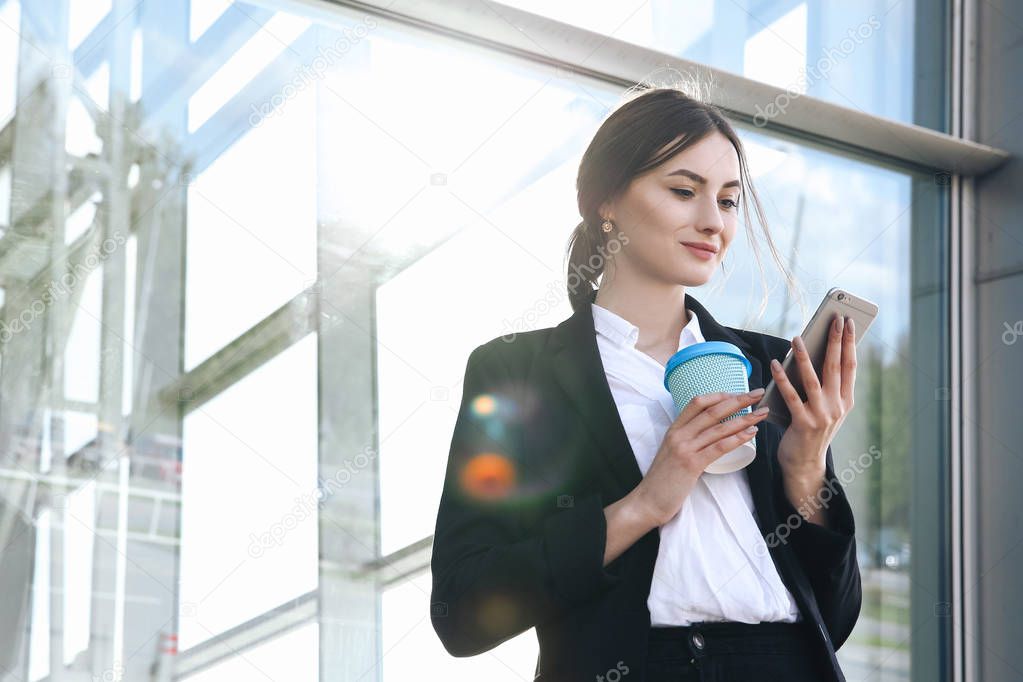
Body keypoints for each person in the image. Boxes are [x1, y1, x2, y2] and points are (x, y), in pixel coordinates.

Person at [430, 85, 861, 682]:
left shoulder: (770, 367)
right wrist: (643, 506)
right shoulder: (518, 373)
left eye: (730, 202)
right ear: (606, 199)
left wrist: (806, 469)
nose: (713, 222)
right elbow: (463, 610)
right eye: (684, 191)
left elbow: (834, 618)